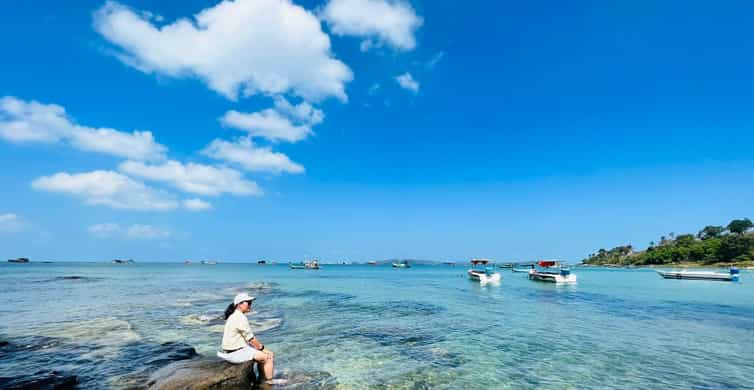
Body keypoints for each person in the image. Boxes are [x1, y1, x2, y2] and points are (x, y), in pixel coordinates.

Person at [218, 292, 284, 385]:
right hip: (236, 352)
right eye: (248, 303)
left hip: (233, 350)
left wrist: (260, 349)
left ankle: (261, 379)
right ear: (239, 305)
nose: (250, 305)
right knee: (268, 357)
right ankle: (268, 381)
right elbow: (251, 339)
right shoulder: (239, 317)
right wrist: (263, 348)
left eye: (250, 303)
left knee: (262, 355)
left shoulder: (235, 315)